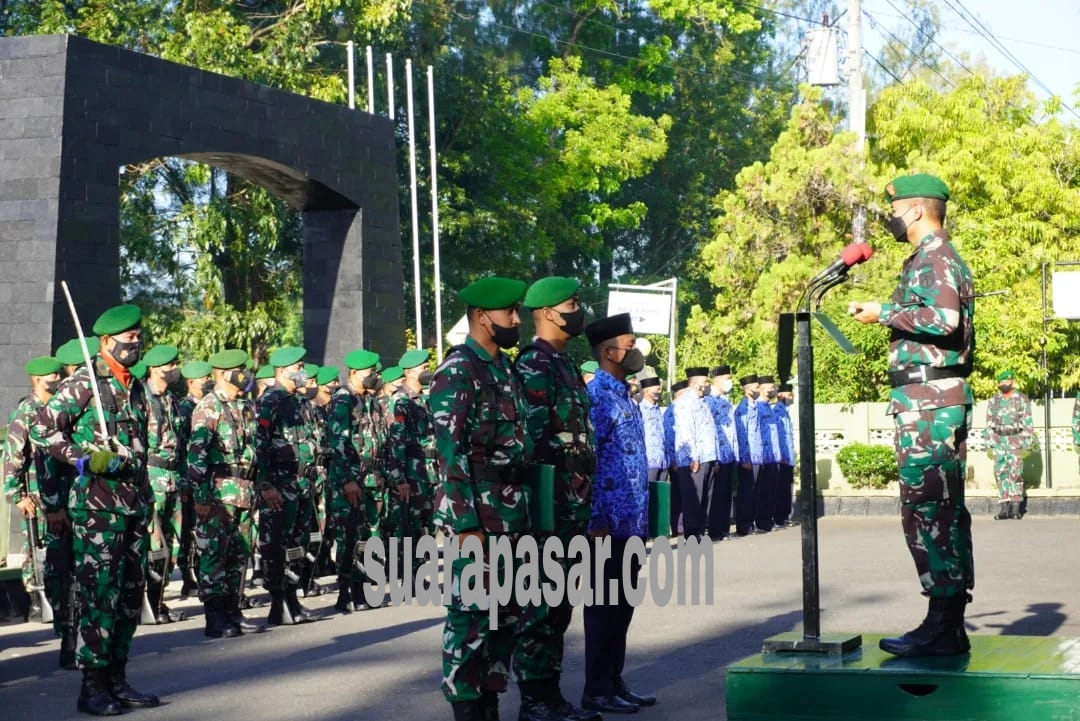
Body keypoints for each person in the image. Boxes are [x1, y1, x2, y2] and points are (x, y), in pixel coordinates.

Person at [849, 173, 975, 658]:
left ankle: (942, 623)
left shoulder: (935, 258)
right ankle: (948, 623)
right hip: (930, 400)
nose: (893, 218)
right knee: (941, 511)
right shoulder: (934, 258)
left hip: (929, 404)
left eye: (897, 209)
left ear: (918, 211)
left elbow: (944, 320)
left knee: (927, 510)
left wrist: (885, 311)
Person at [32, 304, 160, 715]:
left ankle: (117, 679)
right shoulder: (84, 384)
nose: (135, 344)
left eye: (139, 337)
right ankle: (92, 686)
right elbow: (42, 430)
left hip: (135, 504)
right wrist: (85, 459)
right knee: (100, 594)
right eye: (129, 338)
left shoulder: (134, 387)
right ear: (107, 341)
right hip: (98, 509)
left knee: (128, 596)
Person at [431, 276, 532, 721]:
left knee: (506, 618)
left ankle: (489, 701)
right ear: (480, 317)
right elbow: (449, 456)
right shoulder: (457, 371)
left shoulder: (504, 369)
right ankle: (468, 710)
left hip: (511, 515)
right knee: (471, 620)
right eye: (508, 312)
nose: (516, 320)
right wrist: (467, 525)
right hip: (476, 521)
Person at [515, 275, 599, 721]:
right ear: (548, 313)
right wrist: (544, 508)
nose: (577, 311)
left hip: (574, 501)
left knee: (561, 602)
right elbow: (533, 446)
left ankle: (551, 697)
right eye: (572, 304)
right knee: (541, 603)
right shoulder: (534, 365)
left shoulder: (564, 364)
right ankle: (534, 699)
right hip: (551, 504)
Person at [582, 312, 655, 714]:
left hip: (630, 522)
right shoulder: (597, 398)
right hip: (605, 528)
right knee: (603, 609)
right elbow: (589, 463)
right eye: (630, 345)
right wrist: (595, 522)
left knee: (622, 606)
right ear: (610, 352)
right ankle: (595, 688)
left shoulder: (624, 395)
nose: (635, 351)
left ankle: (613, 680)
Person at [3, 356, 75, 668]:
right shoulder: (27, 413)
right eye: (52, 375)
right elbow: (13, 458)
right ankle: (48, 610)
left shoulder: (62, 409)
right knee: (49, 561)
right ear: (36, 380)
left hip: (69, 496)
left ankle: (71, 630)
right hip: (40, 498)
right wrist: (16, 494)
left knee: (66, 564)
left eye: (60, 373)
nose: (58, 378)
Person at [187, 350, 259, 638]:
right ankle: (215, 617)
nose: (245, 374)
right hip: (219, 494)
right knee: (214, 554)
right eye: (240, 369)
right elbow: (196, 458)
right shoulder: (208, 408)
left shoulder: (243, 405)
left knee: (238, 553)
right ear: (223, 372)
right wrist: (202, 498)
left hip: (243, 492)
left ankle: (233, 611)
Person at [255, 346, 316, 626]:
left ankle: (293, 597)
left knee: (296, 544)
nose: (303, 371)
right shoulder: (270, 401)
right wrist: (266, 485)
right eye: (298, 366)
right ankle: (279, 602)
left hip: (301, 485)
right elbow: (259, 445)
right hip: (279, 485)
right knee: (275, 544)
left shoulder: (299, 402)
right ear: (282, 370)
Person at [325, 349, 383, 613]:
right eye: (370, 372)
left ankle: (359, 587)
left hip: (365, 479)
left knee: (363, 535)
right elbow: (338, 442)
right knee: (348, 535)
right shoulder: (343, 399)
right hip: (346, 481)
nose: (375, 376)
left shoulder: (364, 400)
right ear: (355, 373)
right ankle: (347, 591)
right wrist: (348, 479)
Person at [141, 344, 186, 623]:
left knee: (172, 544)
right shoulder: (141, 398)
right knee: (152, 542)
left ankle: (159, 598)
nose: (174, 370)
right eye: (171, 365)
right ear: (157, 368)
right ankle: (145, 600)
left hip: (172, 478)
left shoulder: (171, 400)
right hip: (151, 477)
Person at [176, 360, 213, 600]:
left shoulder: (209, 405)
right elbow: (184, 448)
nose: (208, 381)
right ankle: (189, 577)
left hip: (208, 479)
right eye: (204, 378)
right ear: (191, 382)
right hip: (191, 478)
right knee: (189, 529)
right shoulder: (185, 408)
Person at [673, 367, 718, 540]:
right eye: (704, 381)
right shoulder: (685, 402)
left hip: (707, 455)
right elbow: (686, 431)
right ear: (695, 382)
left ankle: (699, 529)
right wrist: (694, 456)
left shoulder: (702, 402)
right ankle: (691, 533)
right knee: (693, 497)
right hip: (693, 457)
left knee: (704, 496)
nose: (707, 384)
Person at [982, 370, 1033, 520]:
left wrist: (1027, 445)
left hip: (1016, 440)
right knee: (1000, 474)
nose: (1004, 385)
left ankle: (1016, 509)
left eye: (1006, 382)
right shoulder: (993, 400)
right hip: (998, 441)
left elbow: (1028, 423)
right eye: (1001, 383)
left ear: (1012, 382)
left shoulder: (1022, 399)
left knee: (1016, 474)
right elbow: (989, 423)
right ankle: (1004, 508)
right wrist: (989, 445)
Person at [704, 365, 739, 540]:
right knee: (715, 496)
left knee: (726, 495)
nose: (730, 382)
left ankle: (724, 529)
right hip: (717, 454)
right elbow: (711, 431)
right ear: (717, 380)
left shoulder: (726, 400)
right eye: (727, 378)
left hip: (729, 454)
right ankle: (714, 530)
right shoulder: (709, 400)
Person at [733, 375, 762, 537]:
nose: (759, 390)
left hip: (758, 455)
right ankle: (744, 525)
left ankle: (752, 522)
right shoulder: (742, 409)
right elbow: (742, 435)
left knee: (755, 492)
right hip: (748, 457)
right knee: (746, 492)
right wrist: (745, 458)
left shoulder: (754, 407)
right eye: (757, 387)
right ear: (748, 389)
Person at [663, 380, 689, 534]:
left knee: (685, 494)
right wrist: (673, 460)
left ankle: (684, 525)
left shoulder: (684, 409)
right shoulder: (672, 411)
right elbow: (669, 437)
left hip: (687, 460)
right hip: (677, 461)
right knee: (678, 496)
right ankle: (678, 527)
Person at [773, 384, 797, 528]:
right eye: (789, 395)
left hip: (788, 456)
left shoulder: (785, 411)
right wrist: (780, 455)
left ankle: (785, 516)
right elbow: (778, 436)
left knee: (788, 488)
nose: (791, 397)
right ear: (780, 395)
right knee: (781, 489)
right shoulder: (777, 411)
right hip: (782, 456)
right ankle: (779, 517)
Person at [639, 377, 667, 483]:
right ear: (646, 391)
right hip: (649, 461)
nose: (660, 392)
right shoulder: (640, 409)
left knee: (661, 495)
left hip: (663, 461)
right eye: (657, 390)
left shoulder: (657, 409)